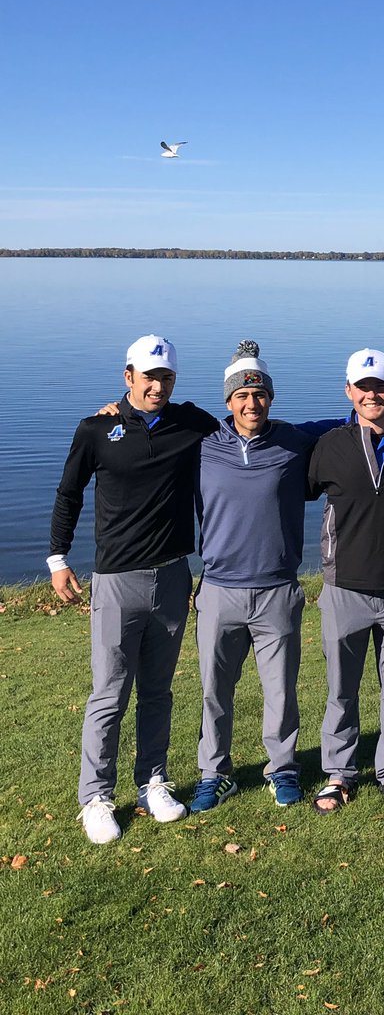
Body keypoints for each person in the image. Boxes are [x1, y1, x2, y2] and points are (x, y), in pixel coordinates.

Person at [48, 335, 217, 844]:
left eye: (166, 377)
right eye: (149, 377)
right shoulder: (96, 429)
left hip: (171, 575)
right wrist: (58, 560)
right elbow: (68, 493)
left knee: (159, 690)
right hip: (116, 579)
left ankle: (152, 781)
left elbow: (246, 425)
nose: (157, 386)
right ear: (129, 377)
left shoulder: (192, 425)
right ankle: (95, 796)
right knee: (109, 693)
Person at [189, 341, 321, 813]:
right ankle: (213, 772)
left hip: (277, 592)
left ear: (271, 397)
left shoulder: (294, 442)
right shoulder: (201, 445)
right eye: (242, 396)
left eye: (260, 395)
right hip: (219, 590)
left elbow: (357, 421)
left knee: (281, 690)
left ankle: (282, 768)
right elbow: (153, 428)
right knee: (213, 691)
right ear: (228, 401)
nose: (252, 404)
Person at [307, 349, 384, 813]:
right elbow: (293, 477)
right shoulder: (330, 445)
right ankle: (338, 772)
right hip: (344, 589)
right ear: (349, 392)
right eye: (363, 387)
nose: (372, 393)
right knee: (341, 688)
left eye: (380, 385)